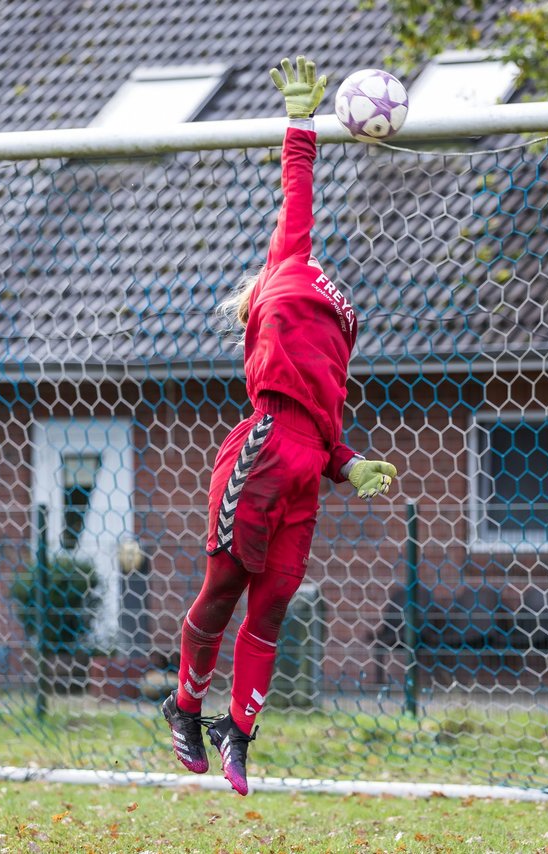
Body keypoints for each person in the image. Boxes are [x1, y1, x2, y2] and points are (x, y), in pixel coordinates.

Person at [161, 55, 398, 797]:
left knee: (275, 603)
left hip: (306, 466)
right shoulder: (286, 264)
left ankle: (241, 733)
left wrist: (349, 462)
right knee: (226, 586)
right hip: (261, 451)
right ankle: (183, 705)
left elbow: (325, 419)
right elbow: (298, 187)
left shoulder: (342, 318)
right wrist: (301, 118)